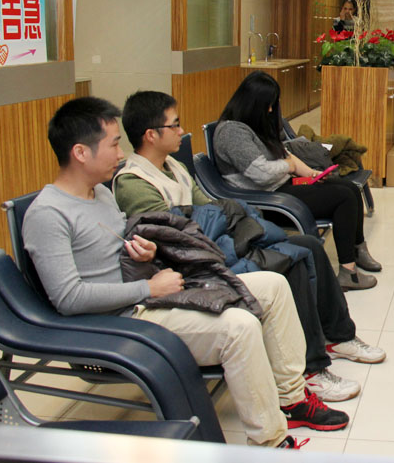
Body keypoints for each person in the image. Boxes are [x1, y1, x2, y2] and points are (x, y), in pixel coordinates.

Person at [22, 97, 349, 449]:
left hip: (152, 293)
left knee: (274, 286)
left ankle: (292, 399)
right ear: (80, 153)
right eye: (113, 144)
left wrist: (145, 253)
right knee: (239, 328)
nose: (120, 154)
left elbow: (118, 250)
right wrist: (148, 288)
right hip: (123, 318)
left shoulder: (99, 194)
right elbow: (69, 298)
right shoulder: (48, 215)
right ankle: (269, 441)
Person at [115, 91, 385, 402]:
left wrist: (225, 223)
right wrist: (223, 226)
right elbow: (177, 241)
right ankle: (310, 371)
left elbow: (209, 210)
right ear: (151, 135)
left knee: (310, 245)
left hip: (215, 246)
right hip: (195, 267)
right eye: (174, 125)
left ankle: (339, 336)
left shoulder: (172, 166)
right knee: (291, 263)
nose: (181, 131)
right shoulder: (135, 183)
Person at [212, 72, 381, 290]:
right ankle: (349, 273)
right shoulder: (232, 132)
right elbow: (261, 173)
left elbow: (285, 155)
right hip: (266, 198)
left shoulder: (252, 126)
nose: (271, 110)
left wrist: (312, 174)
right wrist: (290, 167)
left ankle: (357, 250)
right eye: (268, 104)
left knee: (350, 188)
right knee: (343, 198)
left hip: (280, 186)